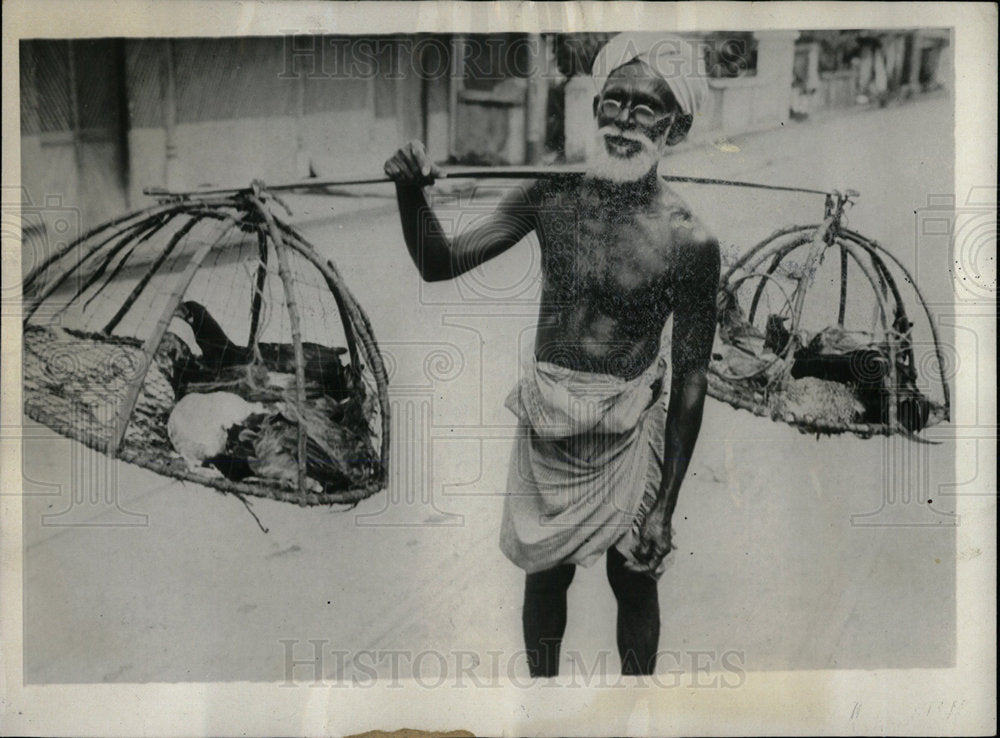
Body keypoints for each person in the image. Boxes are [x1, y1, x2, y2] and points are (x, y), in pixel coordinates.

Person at [384, 33, 719, 677]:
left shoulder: (690, 241)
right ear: (594, 110)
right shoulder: (552, 196)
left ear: (674, 126)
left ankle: (635, 715)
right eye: (612, 101)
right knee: (544, 583)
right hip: (547, 424)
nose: (623, 121)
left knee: (635, 578)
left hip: (629, 429)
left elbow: (693, 379)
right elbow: (439, 262)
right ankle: (543, 704)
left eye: (645, 108)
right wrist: (410, 191)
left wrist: (666, 507)